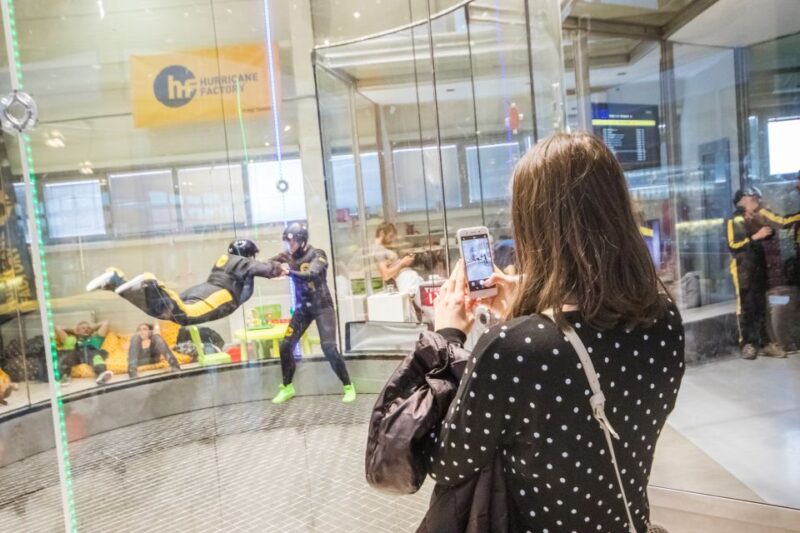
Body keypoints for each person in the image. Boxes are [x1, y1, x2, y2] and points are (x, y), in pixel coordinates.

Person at [420, 132, 684, 531]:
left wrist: (447, 337)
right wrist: (531, 314)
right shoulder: (664, 321)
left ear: (533, 224)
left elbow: (447, 462)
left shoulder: (513, 349)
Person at [85, 239, 283, 326]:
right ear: (248, 254)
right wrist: (279, 270)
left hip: (204, 290)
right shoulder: (243, 262)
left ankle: (115, 281)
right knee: (185, 316)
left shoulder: (228, 261)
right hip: (221, 296)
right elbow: (263, 268)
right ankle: (151, 285)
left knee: (164, 311)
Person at [269, 223, 355, 404]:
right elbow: (268, 264)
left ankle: (348, 386)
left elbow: (312, 274)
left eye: (292, 243)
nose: (289, 246)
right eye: (287, 242)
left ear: (302, 241)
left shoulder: (318, 254)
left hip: (322, 305)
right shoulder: (287, 256)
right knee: (285, 346)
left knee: (329, 348)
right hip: (303, 308)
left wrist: (288, 272)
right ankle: (287, 387)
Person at [726, 189, 777, 359]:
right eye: (751, 198)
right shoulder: (734, 220)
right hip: (742, 267)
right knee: (745, 305)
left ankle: (764, 342)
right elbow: (734, 245)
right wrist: (756, 236)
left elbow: (770, 234)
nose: (756, 200)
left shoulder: (755, 216)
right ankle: (746, 343)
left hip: (757, 265)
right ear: (742, 201)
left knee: (761, 304)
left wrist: (766, 230)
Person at [56, 320, 113, 385]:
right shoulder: (70, 339)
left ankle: (102, 374)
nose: (86, 329)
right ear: (77, 330)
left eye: (88, 328)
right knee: (67, 357)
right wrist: (73, 330)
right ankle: (65, 376)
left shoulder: (95, 338)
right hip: (76, 354)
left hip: (91, 354)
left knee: (97, 357)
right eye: (83, 328)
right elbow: (58, 328)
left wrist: (93, 327)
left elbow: (106, 323)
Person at [371, 222, 415, 287]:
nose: (391, 239)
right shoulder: (378, 250)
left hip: (408, 279)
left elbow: (392, 266)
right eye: (390, 236)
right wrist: (402, 263)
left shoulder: (382, 248)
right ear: (382, 233)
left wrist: (404, 262)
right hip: (405, 280)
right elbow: (386, 275)